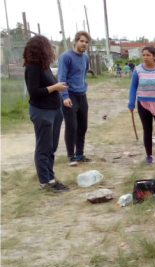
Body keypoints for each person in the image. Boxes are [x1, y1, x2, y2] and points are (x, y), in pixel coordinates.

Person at [23, 35, 70, 193]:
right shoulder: (32, 66)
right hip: (42, 111)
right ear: (41, 48)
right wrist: (55, 87)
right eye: (49, 46)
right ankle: (44, 182)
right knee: (43, 148)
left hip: (55, 111)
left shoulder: (44, 65)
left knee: (51, 147)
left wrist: (58, 87)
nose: (51, 49)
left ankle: (51, 178)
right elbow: (34, 92)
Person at [58, 31, 92, 166]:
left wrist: (83, 86)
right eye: (82, 41)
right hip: (69, 95)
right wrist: (65, 97)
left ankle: (80, 154)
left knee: (83, 126)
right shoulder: (66, 57)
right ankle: (71, 156)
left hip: (82, 95)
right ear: (76, 41)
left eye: (86, 42)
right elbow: (61, 78)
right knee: (71, 126)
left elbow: (83, 73)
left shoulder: (85, 57)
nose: (84, 44)